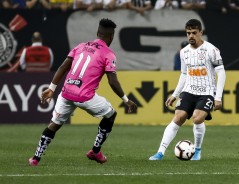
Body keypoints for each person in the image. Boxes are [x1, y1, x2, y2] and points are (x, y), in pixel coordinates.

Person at [28, 18, 137, 166]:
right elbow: (112, 81)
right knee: (111, 115)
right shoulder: (108, 54)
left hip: (66, 93)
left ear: (98, 33)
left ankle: (35, 158)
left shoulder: (80, 46)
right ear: (111, 37)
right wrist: (126, 99)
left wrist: (51, 88)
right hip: (85, 97)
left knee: (54, 124)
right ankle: (95, 151)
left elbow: (62, 67)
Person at [149, 19, 226, 161]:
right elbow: (184, 74)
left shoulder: (212, 50)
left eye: (194, 33)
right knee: (178, 117)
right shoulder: (183, 52)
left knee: (197, 118)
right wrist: (175, 94)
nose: (191, 36)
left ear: (200, 33)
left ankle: (197, 150)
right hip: (189, 90)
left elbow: (221, 73)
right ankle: (160, 152)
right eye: (188, 33)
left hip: (206, 92)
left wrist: (218, 97)